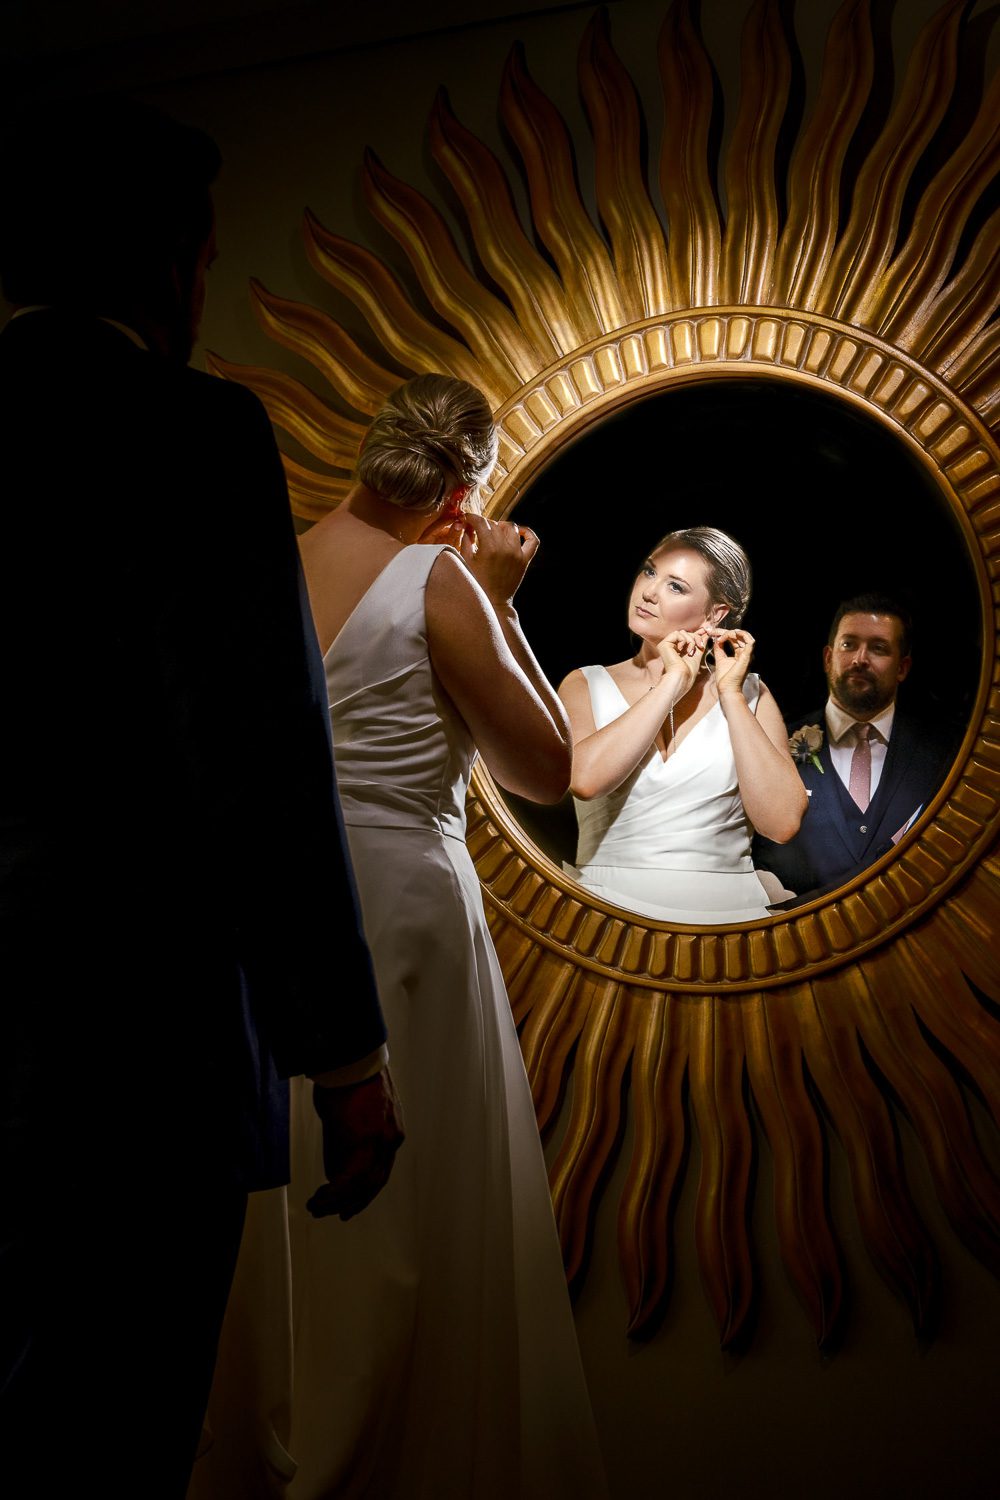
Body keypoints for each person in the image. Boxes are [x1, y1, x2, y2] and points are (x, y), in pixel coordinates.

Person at [0, 97, 401, 1498]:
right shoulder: (191, 433)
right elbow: (255, 759)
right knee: (108, 1436)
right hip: (129, 1047)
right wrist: (341, 1057)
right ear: (173, 260)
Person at [289, 374, 608, 1499]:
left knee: (303, 1234)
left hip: (292, 918)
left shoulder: (279, 561)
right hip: (407, 920)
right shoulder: (442, 579)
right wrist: (501, 600)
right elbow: (548, 770)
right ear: (467, 490)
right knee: (414, 1233)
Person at [558, 527, 806, 924]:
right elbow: (585, 780)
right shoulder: (584, 683)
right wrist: (673, 682)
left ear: (715, 614)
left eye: (675, 587)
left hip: (726, 915)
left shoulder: (752, 696)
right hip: (603, 912)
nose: (649, 592)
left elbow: (781, 823)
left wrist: (731, 694)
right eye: (649, 572)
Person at [753, 593, 954, 902]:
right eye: (849, 645)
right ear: (827, 658)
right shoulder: (772, 744)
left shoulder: (945, 752)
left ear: (903, 667)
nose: (860, 659)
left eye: (878, 648)